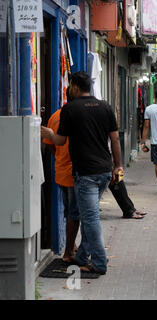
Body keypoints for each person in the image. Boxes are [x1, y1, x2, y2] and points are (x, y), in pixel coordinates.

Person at [41, 71, 122, 275]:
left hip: (85, 173)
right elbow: (115, 139)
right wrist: (118, 166)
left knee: (90, 218)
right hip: (104, 171)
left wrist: (50, 134)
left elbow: (59, 142)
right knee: (89, 216)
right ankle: (83, 255)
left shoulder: (70, 109)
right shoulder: (105, 107)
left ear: (75, 87)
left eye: (70, 86)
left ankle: (100, 263)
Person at [42, 93, 80, 265]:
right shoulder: (79, 115)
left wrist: (59, 157)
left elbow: (50, 145)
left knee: (68, 212)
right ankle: (68, 251)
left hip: (61, 171)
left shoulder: (55, 116)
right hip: (76, 172)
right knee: (75, 213)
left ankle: (72, 245)